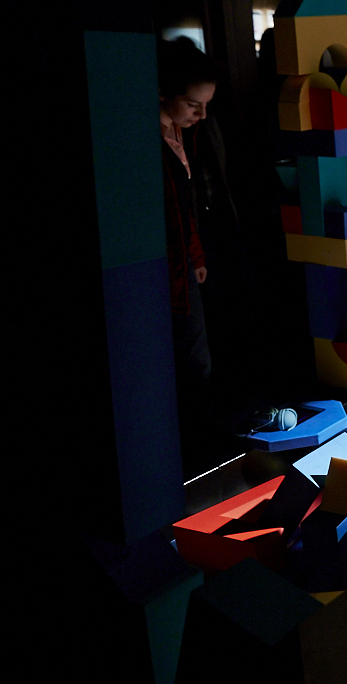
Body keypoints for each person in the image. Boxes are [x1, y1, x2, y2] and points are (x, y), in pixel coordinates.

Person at [158, 38, 218, 468]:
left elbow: (188, 206)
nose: (201, 115)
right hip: (164, 272)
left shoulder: (183, 133)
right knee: (189, 364)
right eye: (193, 105)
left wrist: (197, 255)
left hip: (185, 264)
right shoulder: (151, 141)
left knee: (198, 357)